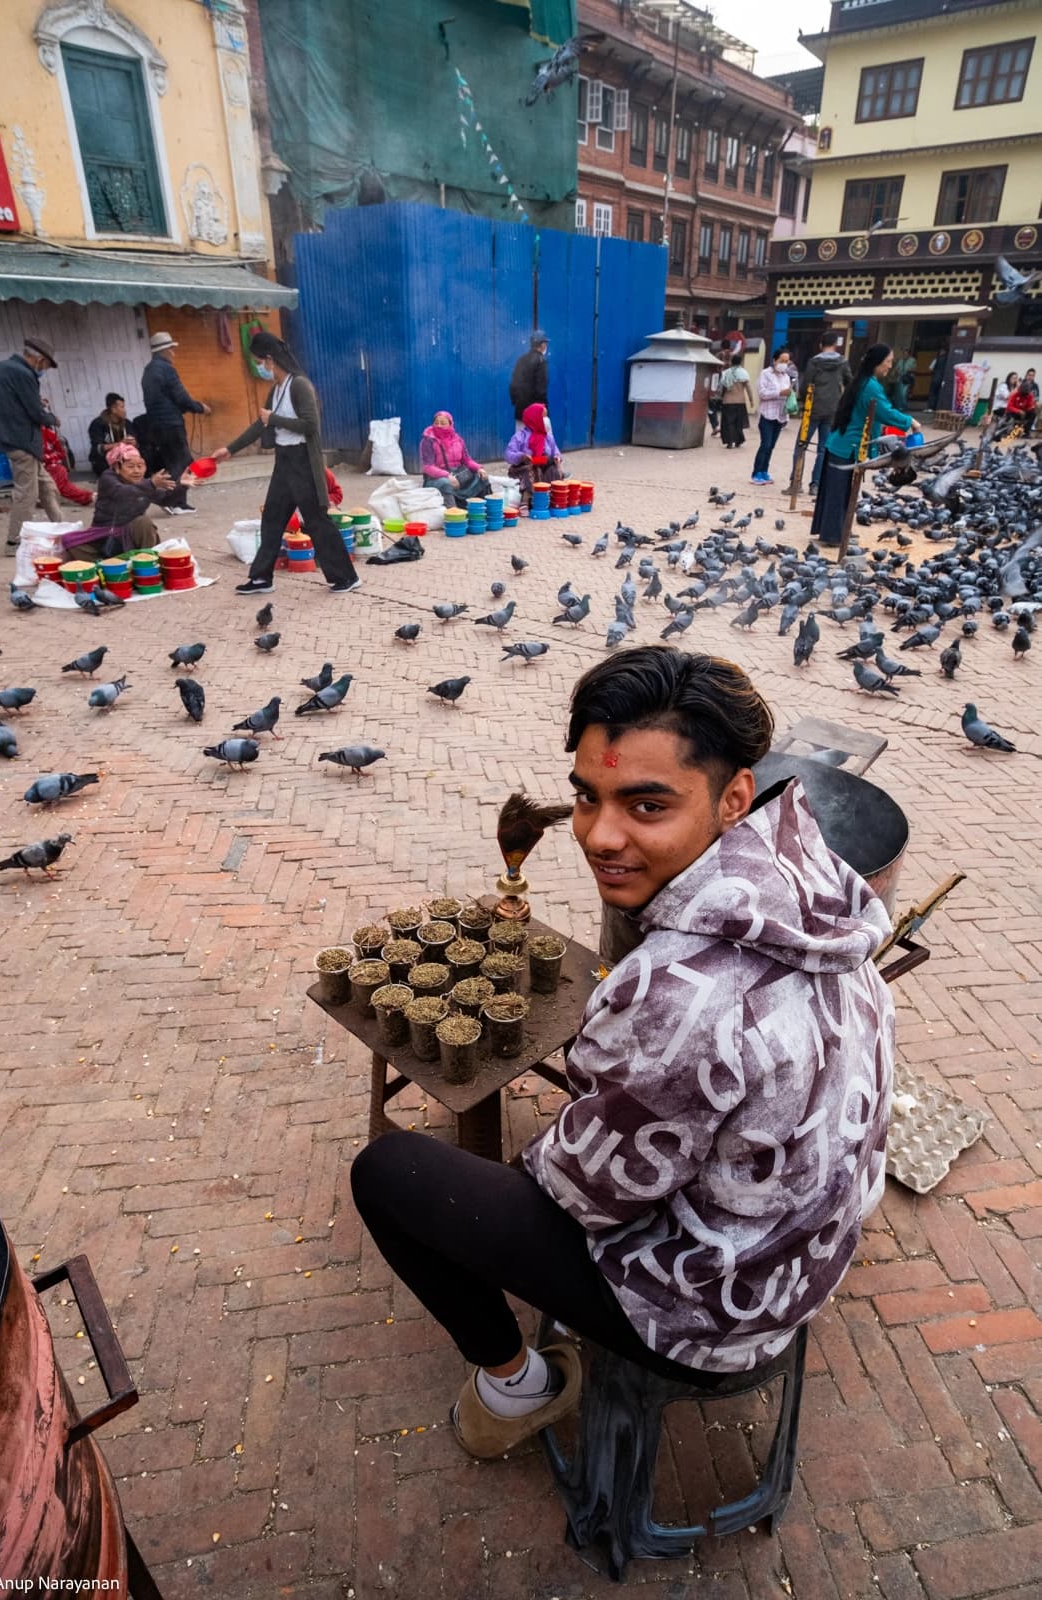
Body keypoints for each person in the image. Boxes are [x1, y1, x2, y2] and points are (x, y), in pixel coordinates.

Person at [350, 646, 895, 1459]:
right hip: (806, 1248)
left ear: (732, 796)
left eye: (646, 806)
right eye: (586, 796)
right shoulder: (812, 877)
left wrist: (576, 1119)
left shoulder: (680, 993)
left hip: (718, 1313)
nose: (600, 837)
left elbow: (580, 1193)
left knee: (389, 1177)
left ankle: (516, 1384)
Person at [212, 330, 359, 596]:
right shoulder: (276, 389)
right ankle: (260, 578)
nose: (260, 367)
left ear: (270, 359)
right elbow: (261, 423)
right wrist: (229, 449)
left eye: (260, 362)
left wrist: (274, 420)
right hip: (284, 461)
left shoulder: (299, 385)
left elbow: (310, 425)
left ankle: (345, 577)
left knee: (316, 521)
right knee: (272, 519)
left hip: (303, 460)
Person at [811, 344, 917, 548]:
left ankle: (837, 531)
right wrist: (910, 421)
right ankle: (833, 536)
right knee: (838, 493)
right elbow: (884, 412)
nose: (890, 366)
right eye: (888, 362)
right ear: (877, 363)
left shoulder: (867, 381)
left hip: (844, 444)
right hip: (847, 445)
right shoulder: (870, 386)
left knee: (841, 492)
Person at [0, 335, 63, 551]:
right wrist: (51, 418)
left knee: (47, 488)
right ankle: (14, 542)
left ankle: (63, 528)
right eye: (46, 365)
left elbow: (12, 401)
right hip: (22, 441)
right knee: (27, 496)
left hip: (11, 438)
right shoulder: (24, 374)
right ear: (39, 360)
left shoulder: (2, 367)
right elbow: (35, 412)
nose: (45, 369)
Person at [58, 442, 176, 561]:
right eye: (130, 466)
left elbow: (166, 499)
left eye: (140, 466)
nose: (136, 471)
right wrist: (151, 484)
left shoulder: (143, 483)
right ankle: (107, 565)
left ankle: (147, 563)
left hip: (132, 534)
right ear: (117, 468)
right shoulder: (108, 478)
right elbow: (122, 493)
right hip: (105, 533)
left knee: (143, 522)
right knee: (70, 541)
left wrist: (183, 485)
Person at [140, 331, 211, 513]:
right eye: (171, 349)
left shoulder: (148, 370)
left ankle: (172, 500)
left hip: (156, 425)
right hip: (171, 424)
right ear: (163, 351)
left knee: (171, 463)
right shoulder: (166, 369)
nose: (173, 353)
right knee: (184, 463)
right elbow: (180, 397)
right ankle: (175, 502)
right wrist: (199, 407)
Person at [787, 331, 851, 494]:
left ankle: (796, 482)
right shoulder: (843, 362)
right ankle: (815, 484)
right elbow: (849, 383)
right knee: (823, 449)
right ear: (836, 344)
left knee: (801, 445)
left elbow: (805, 384)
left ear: (821, 344)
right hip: (832, 410)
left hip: (812, 408)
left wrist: (802, 401)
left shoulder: (814, 362)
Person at [419, 411, 492, 507]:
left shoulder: (457, 439)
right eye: (436, 423)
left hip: (457, 473)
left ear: (450, 424)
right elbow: (428, 467)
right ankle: (454, 515)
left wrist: (479, 468)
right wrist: (447, 475)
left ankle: (484, 510)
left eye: (443, 423)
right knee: (446, 484)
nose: (439, 426)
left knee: (480, 476)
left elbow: (467, 460)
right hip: (436, 477)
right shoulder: (428, 440)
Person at [505, 402, 564, 509]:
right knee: (533, 470)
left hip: (543, 465)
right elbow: (509, 454)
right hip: (523, 468)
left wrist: (557, 457)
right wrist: (522, 456)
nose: (546, 420)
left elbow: (556, 451)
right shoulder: (520, 436)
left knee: (553, 470)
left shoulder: (548, 437)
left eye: (547, 417)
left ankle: (549, 500)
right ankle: (526, 500)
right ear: (535, 418)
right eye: (543, 417)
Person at [750, 348, 793, 486]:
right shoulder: (765, 374)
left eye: (786, 361)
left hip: (780, 416)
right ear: (774, 360)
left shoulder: (786, 377)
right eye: (782, 361)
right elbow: (762, 393)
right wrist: (780, 392)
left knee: (771, 446)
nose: (784, 364)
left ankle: (764, 471)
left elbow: (787, 394)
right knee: (765, 444)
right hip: (767, 414)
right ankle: (756, 473)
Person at [41, 426, 93, 507]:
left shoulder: (48, 433)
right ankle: (88, 497)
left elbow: (61, 453)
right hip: (36, 467)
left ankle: (88, 497)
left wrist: (48, 458)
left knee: (61, 480)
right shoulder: (25, 434)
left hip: (51, 466)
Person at [88, 393, 134, 477]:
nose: (125, 410)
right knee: (105, 468)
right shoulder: (98, 424)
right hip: (104, 460)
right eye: (122, 407)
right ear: (113, 409)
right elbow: (98, 448)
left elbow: (135, 442)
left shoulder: (127, 423)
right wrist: (121, 443)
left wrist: (133, 442)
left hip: (125, 458)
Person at [509, 330, 549, 421]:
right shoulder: (541, 362)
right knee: (535, 436)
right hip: (535, 415)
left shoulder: (521, 360)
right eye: (545, 343)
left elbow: (513, 385)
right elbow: (541, 390)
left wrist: (517, 402)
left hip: (520, 412)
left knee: (520, 435)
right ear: (542, 345)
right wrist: (544, 408)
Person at [718, 358, 752, 448]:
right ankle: (738, 441)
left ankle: (729, 442)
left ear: (731, 362)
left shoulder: (726, 373)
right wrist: (751, 400)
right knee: (738, 422)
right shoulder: (744, 373)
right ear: (740, 362)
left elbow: (721, 387)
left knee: (728, 422)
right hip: (740, 401)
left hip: (727, 401)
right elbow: (748, 388)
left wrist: (720, 397)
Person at [707, 340, 732, 437]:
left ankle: (716, 426)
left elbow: (713, 367)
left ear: (721, 346)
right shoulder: (734, 355)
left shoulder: (718, 355)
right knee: (726, 409)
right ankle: (725, 429)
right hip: (730, 386)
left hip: (718, 385)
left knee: (711, 407)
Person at [927, 346, 948, 412]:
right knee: (940, 393)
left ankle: (931, 408)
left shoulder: (937, 359)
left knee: (933, 393)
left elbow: (930, 368)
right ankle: (938, 408)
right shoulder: (948, 359)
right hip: (944, 379)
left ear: (941, 352)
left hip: (935, 378)